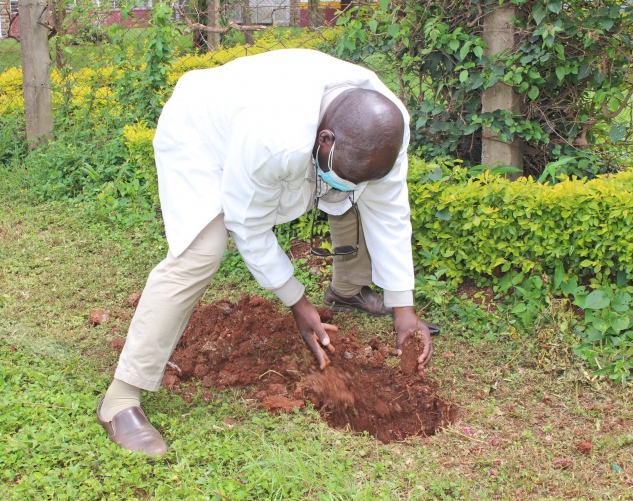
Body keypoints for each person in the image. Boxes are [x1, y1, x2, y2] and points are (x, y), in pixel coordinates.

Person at [97, 49, 438, 455]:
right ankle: (120, 398)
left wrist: (404, 307)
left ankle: (347, 291)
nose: (346, 183)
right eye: (341, 172)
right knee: (201, 251)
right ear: (324, 139)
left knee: (352, 191)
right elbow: (249, 224)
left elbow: (390, 211)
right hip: (202, 131)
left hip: (279, 131)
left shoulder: (385, 125)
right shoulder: (276, 137)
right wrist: (296, 300)